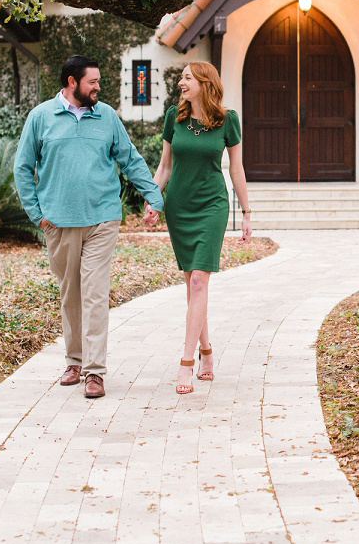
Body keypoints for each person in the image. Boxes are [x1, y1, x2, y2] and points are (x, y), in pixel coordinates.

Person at [13, 55, 163, 399]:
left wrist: (153, 196)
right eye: (92, 82)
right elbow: (22, 168)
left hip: (102, 219)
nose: (98, 87)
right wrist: (37, 214)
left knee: (94, 292)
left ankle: (95, 372)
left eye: (98, 81)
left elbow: (130, 158)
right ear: (71, 82)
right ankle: (74, 361)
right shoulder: (41, 117)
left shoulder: (106, 116)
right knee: (71, 294)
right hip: (59, 221)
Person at [154, 62, 251, 395]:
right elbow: (165, 166)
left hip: (212, 206)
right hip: (179, 207)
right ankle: (207, 351)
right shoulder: (174, 118)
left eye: (186, 77)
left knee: (199, 280)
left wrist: (246, 212)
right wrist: (154, 201)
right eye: (180, 76)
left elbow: (236, 169)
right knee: (192, 284)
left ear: (205, 83)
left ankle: (186, 363)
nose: (180, 82)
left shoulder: (228, 121)